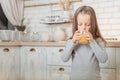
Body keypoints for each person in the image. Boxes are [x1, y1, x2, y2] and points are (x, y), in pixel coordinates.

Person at [61, 5, 108, 80]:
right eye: (80, 24)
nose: (83, 27)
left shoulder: (97, 40)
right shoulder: (72, 41)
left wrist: (92, 42)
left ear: (93, 25)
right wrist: (73, 42)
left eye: (87, 24)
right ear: (76, 25)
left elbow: (104, 59)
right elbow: (64, 59)